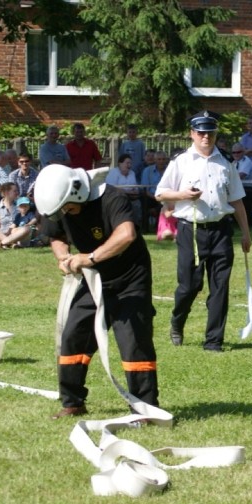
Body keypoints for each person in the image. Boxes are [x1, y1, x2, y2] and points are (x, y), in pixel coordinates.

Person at [35, 164, 160, 419]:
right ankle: (73, 402)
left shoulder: (113, 198)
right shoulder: (59, 201)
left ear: (78, 194)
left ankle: (145, 408)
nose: (66, 214)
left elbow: (126, 235)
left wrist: (89, 258)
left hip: (130, 279)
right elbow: (55, 235)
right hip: (93, 281)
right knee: (73, 335)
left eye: (68, 209)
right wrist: (64, 258)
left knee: (133, 341)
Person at [155, 111, 252, 352]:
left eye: (209, 132)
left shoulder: (226, 162)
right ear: (192, 134)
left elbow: (237, 200)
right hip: (191, 230)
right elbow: (160, 193)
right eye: (200, 132)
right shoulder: (180, 161)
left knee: (220, 287)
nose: (205, 137)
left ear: (215, 134)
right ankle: (177, 322)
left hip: (220, 231)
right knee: (189, 286)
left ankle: (213, 341)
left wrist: (246, 234)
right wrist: (182, 195)